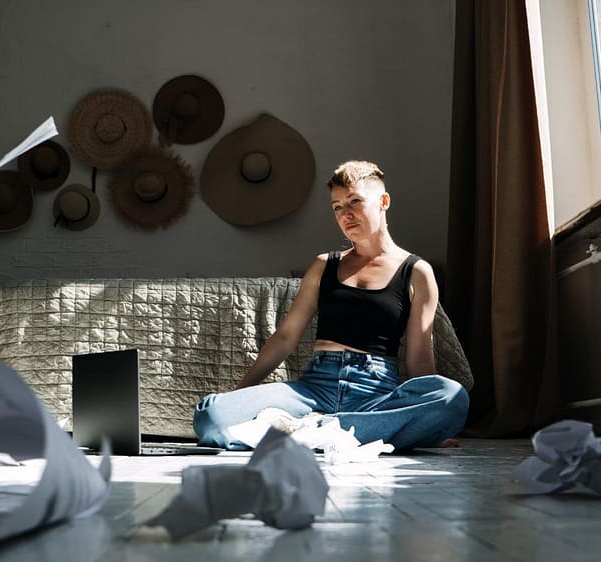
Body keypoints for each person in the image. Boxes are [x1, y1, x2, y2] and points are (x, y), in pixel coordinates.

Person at [193, 160, 469, 450]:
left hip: (376, 396)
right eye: (337, 207)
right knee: (211, 415)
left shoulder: (416, 271)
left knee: (452, 398)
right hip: (313, 390)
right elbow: (286, 337)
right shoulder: (324, 265)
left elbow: (419, 361)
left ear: (383, 201)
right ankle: (335, 433)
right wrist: (241, 397)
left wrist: (428, 423)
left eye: (355, 202)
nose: (345, 214)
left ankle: (317, 429)